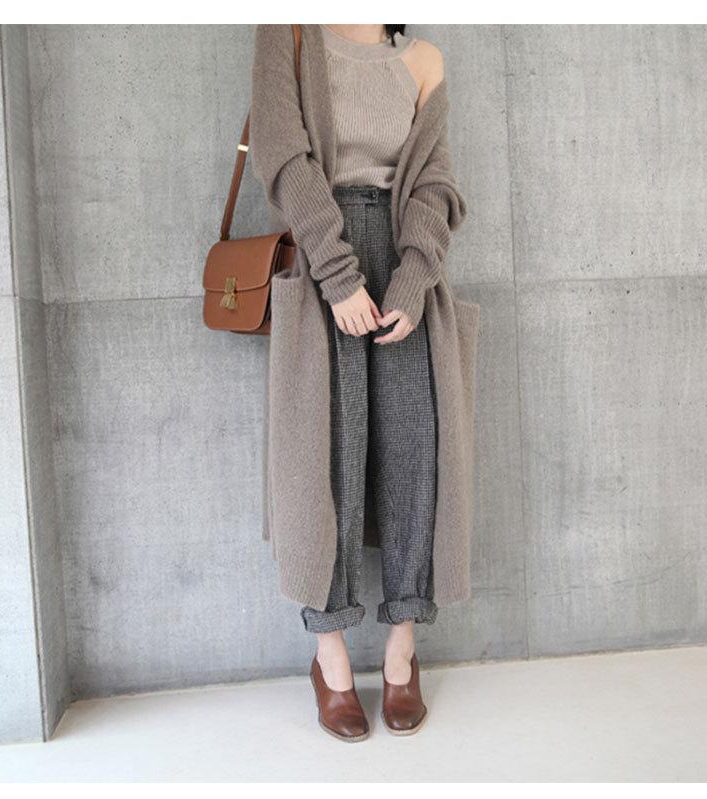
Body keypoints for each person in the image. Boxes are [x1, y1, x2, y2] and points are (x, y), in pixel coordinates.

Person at [250, 23, 468, 742]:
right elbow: (282, 154)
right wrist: (338, 274)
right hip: (322, 256)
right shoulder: (289, 33)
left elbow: (434, 182)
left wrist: (413, 278)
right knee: (327, 461)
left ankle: (403, 648)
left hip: (404, 261)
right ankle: (331, 657)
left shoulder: (423, 59)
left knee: (413, 455)